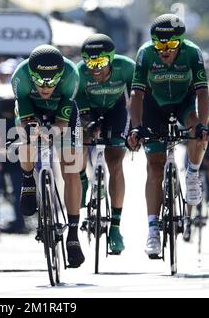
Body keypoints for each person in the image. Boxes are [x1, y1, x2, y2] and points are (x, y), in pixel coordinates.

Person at [126, 14, 209, 258]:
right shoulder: (145, 53)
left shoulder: (193, 53)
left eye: (170, 45)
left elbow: (203, 92)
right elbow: (137, 94)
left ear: (180, 43)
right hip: (154, 107)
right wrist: (136, 126)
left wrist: (203, 126)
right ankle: (152, 230)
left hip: (183, 104)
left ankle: (193, 174)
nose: (164, 51)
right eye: (159, 45)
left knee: (197, 130)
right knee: (154, 166)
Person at [11, 44, 84, 268]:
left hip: (62, 112)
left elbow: (62, 123)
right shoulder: (20, 77)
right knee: (27, 137)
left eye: (51, 82)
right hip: (30, 108)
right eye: (40, 81)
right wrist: (35, 132)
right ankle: (28, 180)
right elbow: (25, 118)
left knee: (71, 168)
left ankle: (73, 234)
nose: (45, 87)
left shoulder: (71, 75)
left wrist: (51, 133)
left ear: (59, 77)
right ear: (31, 75)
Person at [76, 33, 134, 254]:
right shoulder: (79, 73)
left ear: (111, 59)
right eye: (90, 62)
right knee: (80, 143)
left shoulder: (126, 67)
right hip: (88, 110)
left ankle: (116, 228)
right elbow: (79, 109)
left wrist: (137, 128)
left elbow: (137, 97)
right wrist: (88, 126)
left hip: (115, 110)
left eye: (100, 62)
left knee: (115, 161)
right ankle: (83, 180)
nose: (95, 68)